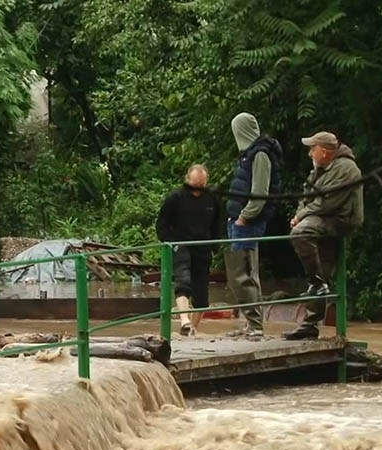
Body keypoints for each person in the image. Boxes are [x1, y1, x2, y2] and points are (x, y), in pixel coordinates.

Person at [284, 131, 364, 340]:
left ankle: (317, 284)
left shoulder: (346, 168)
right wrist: (300, 212)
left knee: (300, 233)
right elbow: (306, 195)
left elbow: (330, 201)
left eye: (313, 149)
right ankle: (310, 323)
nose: (310, 153)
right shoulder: (319, 169)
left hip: (340, 219)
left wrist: (301, 216)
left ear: (325, 152)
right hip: (323, 217)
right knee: (322, 268)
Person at [225, 112, 282, 338]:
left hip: (247, 222)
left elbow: (260, 193)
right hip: (238, 221)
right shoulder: (249, 154)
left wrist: (244, 216)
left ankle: (256, 326)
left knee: (245, 272)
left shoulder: (260, 155)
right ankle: (250, 323)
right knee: (239, 273)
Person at [155, 164, 221, 336]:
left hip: (203, 247)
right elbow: (162, 224)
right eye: (195, 185)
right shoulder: (175, 198)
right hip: (180, 244)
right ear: (187, 180)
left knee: (201, 295)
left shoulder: (212, 198)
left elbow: (218, 223)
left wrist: (216, 245)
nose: (198, 189)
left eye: (201, 185)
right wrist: (169, 242)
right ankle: (184, 319)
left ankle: (191, 329)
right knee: (183, 282)